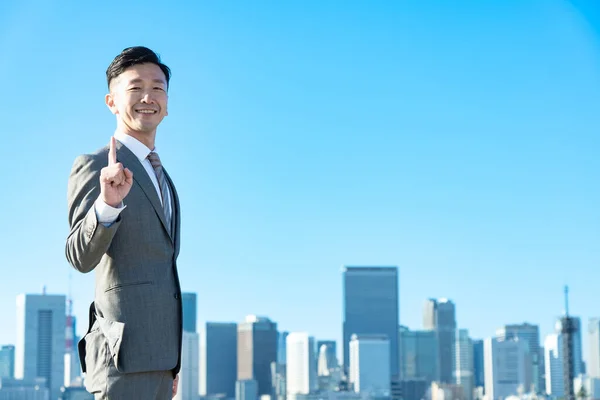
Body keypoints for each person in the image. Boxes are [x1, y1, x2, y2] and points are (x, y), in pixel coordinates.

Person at [65, 46, 182, 399]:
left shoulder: (164, 177)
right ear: (111, 101)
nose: (149, 96)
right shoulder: (95, 164)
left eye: (158, 88)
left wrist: (172, 362)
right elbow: (79, 256)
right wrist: (106, 205)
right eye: (135, 87)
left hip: (161, 360)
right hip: (121, 359)